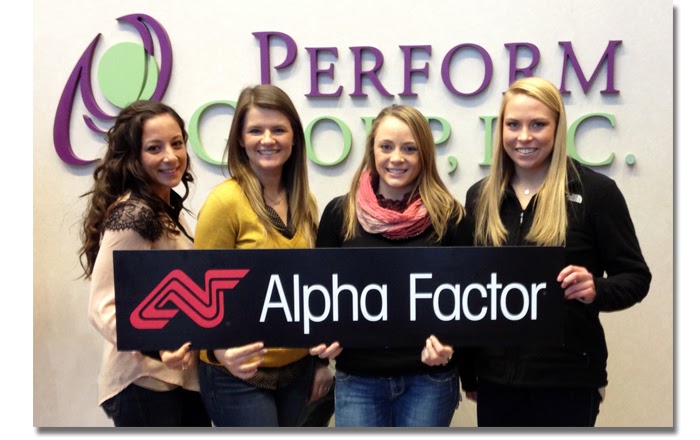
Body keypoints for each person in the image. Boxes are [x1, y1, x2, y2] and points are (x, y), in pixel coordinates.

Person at [459, 76, 652, 427]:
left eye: (538, 124)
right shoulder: (479, 197)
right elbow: (468, 289)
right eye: (513, 125)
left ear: (558, 128)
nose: (524, 137)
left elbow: (636, 277)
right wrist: (469, 371)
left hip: (568, 380)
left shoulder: (596, 192)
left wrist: (596, 288)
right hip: (496, 380)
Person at [313, 104, 468, 427]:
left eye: (409, 148)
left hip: (429, 379)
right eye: (386, 146)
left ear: (424, 154)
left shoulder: (450, 217)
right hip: (358, 378)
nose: (396, 158)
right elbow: (319, 294)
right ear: (372, 150)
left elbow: (467, 299)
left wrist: (451, 345)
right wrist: (324, 342)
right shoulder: (340, 214)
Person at [193, 84, 334, 427]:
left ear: (294, 138)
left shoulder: (305, 202)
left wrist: (319, 363)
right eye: (255, 130)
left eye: (278, 130)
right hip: (238, 375)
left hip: (298, 371)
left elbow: (311, 289)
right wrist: (220, 352)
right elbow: (197, 292)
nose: (267, 139)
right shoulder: (225, 202)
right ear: (240, 140)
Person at [79, 100, 211, 427]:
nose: (171, 156)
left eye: (177, 143)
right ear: (133, 157)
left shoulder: (165, 207)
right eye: (154, 148)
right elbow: (103, 306)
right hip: (145, 384)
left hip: (177, 382)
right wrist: (158, 347)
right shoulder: (135, 213)